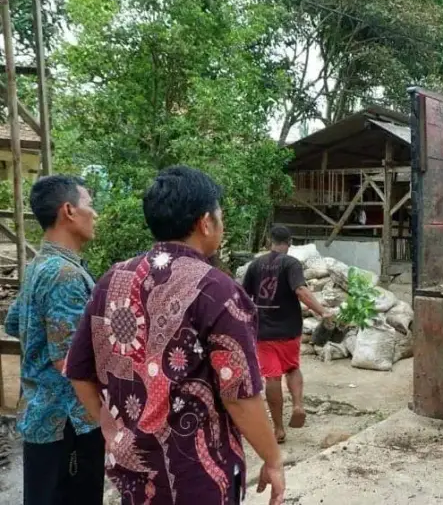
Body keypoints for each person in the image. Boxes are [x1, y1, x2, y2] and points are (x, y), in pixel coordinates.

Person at [64, 166, 285, 505]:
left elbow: (79, 372)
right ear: (205, 222)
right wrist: (272, 459)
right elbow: (239, 396)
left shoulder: (112, 279)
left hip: (133, 473)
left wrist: (115, 431)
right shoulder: (217, 290)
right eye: (220, 216)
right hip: (196, 479)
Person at [4, 175, 104, 505]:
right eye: (89, 204)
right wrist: (109, 421)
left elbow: (14, 322)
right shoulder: (66, 275)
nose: (95, 214)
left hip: (38, 415)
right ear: (68, 211)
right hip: (69, 424)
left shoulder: (38, 265)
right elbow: (71, 365)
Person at [242, 225, 332, 444]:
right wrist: (322, 312)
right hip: (289, 329)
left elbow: (244, 298)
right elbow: (301, 291)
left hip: (263, 331)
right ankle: (299, 406)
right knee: (292, 368)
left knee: (272, 377)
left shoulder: (255, 265)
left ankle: (279, 429)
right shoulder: (291, 263)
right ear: (289, 243)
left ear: (269, 242)